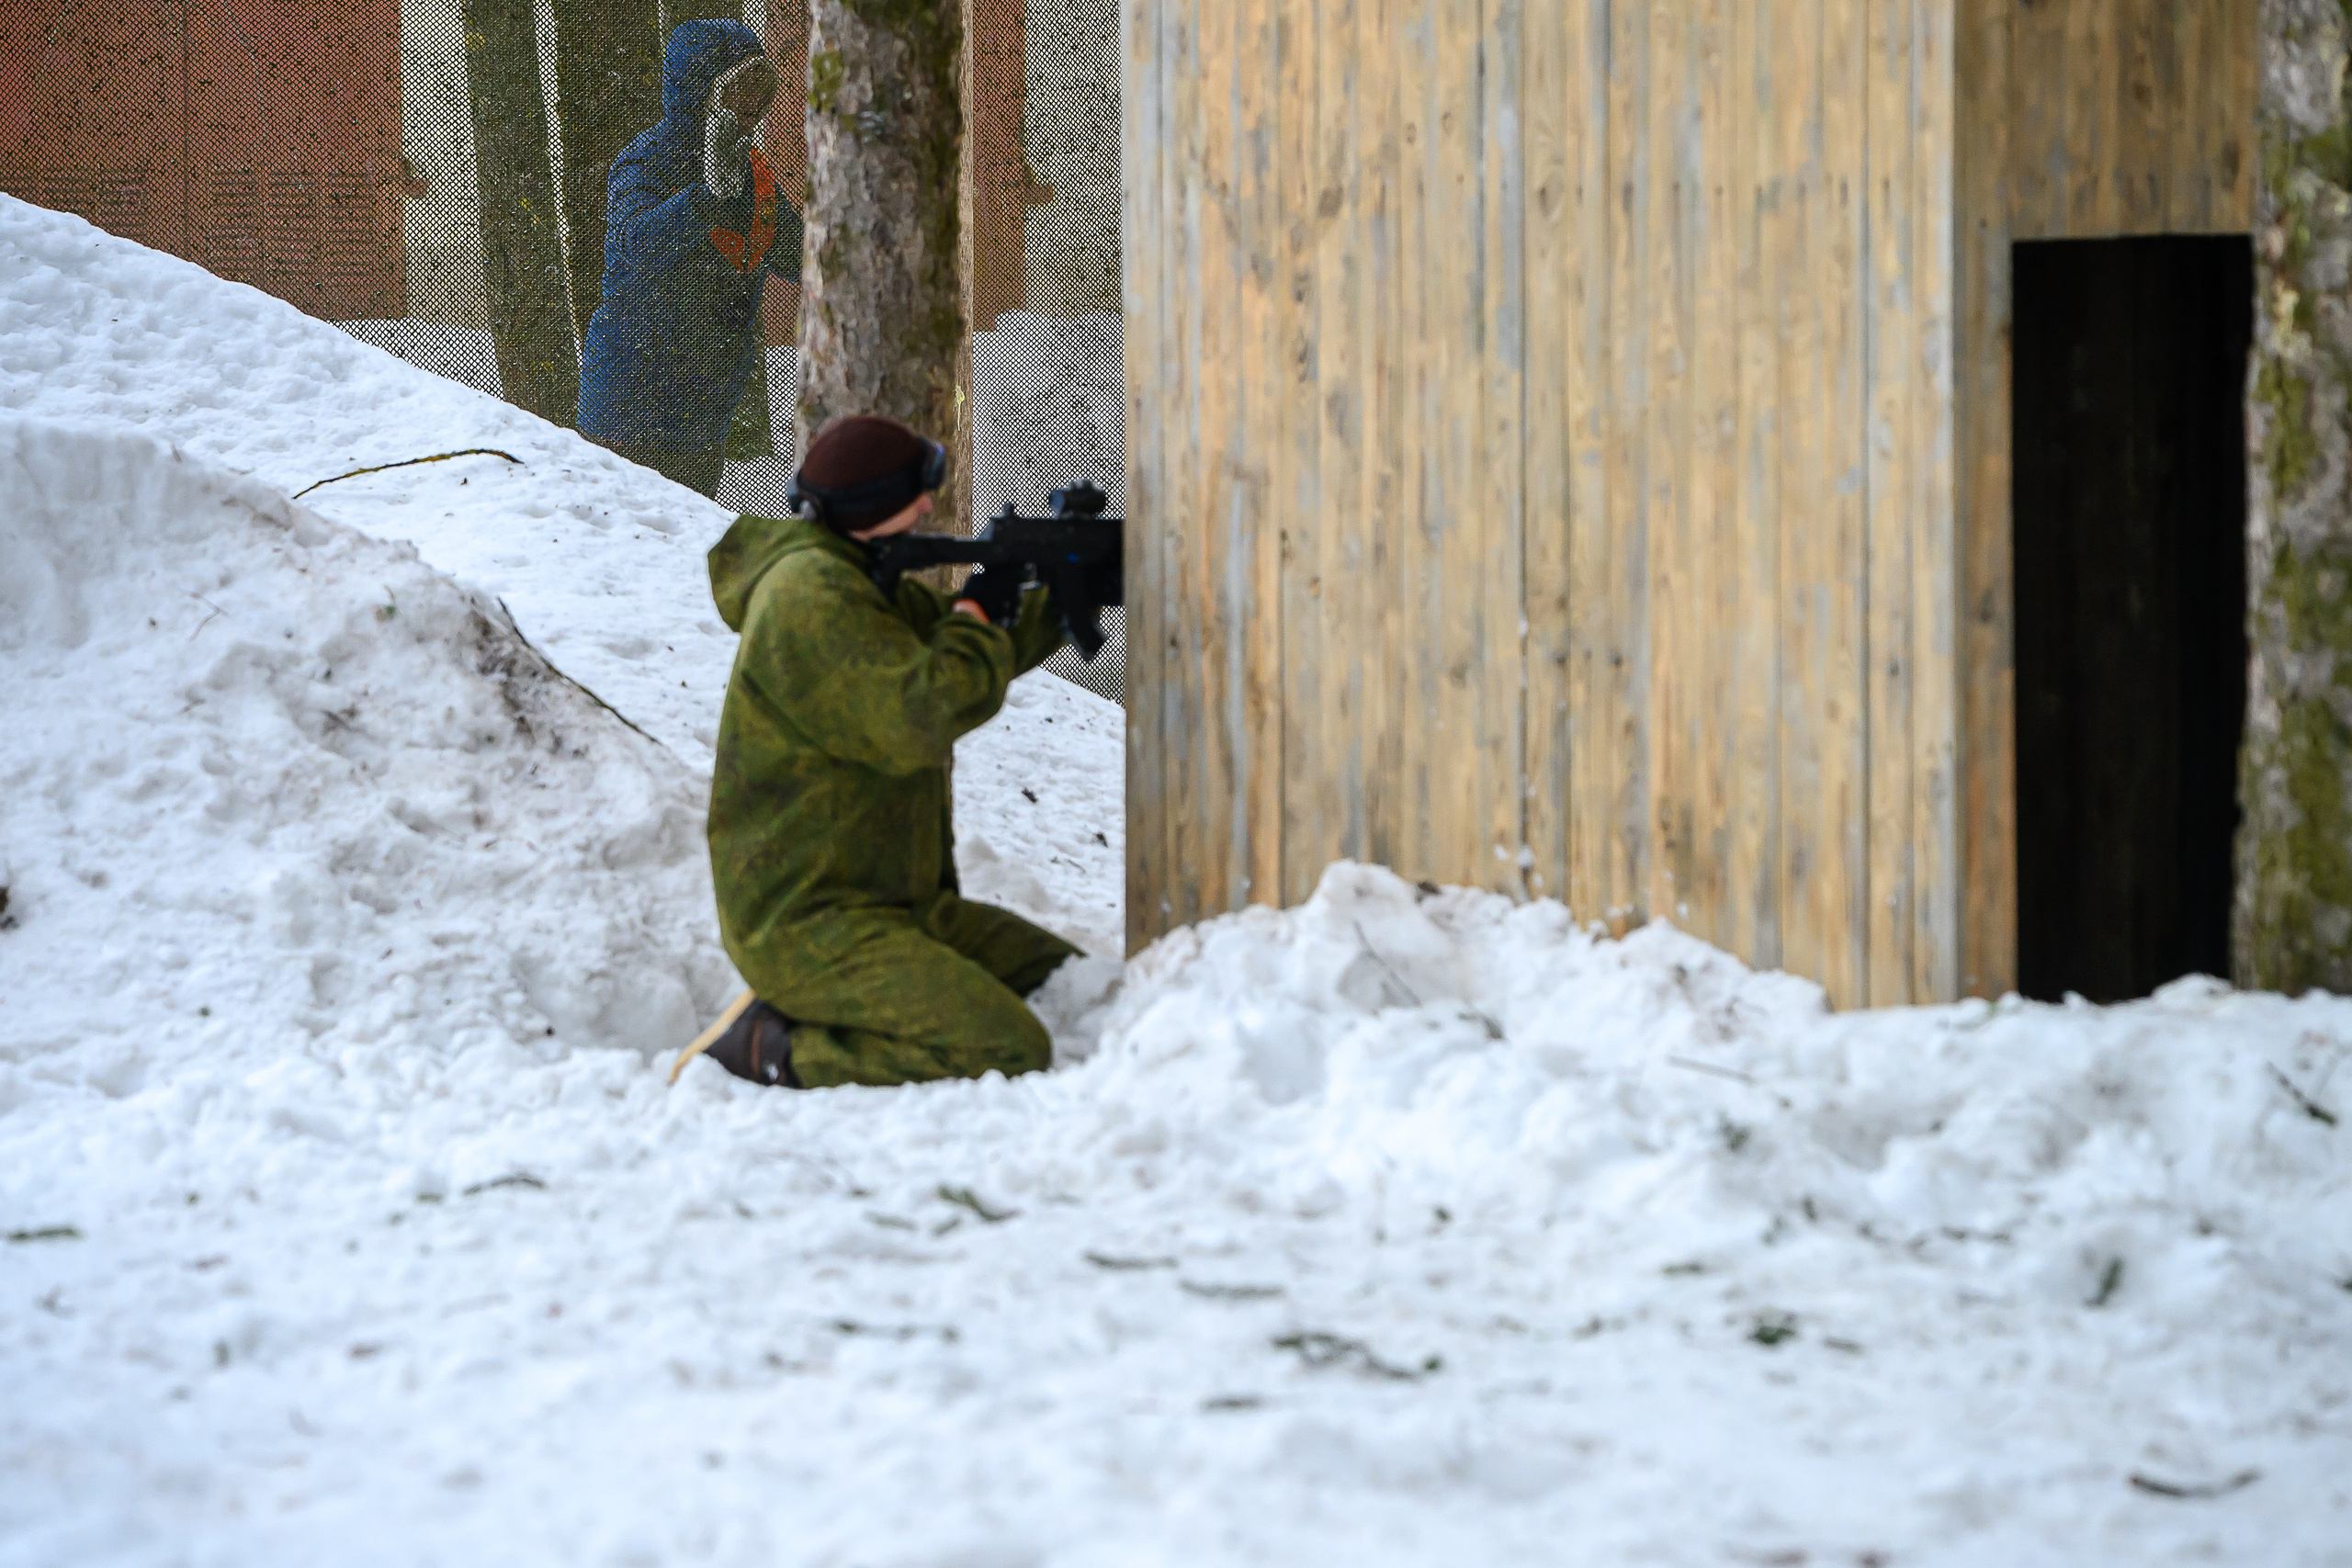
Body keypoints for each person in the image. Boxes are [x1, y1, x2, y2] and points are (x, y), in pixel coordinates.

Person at [674, 415, 1079, 1089]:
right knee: (1010, 1045)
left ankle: (844, 1011)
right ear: (876, 509)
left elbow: (962, 653)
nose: (928, 507)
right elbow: (922, 712)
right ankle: (774, 1049)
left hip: (894, 902)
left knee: (1066, 981)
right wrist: (979, 614)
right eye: (916, 495)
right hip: (808, 923)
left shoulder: (853, 577)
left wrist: (1061, 600)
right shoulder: (810, 598)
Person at [577, 18, 800, 498]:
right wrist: (703, 200)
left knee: (685, 541)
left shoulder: (750, 173)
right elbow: (637, 246)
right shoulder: (648, 161)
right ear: (702, 92)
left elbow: (796, 252)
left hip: (702, 406)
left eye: (758, 92)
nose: (749, 109)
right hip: (631, 400)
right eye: (738, 90)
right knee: (626, 538)